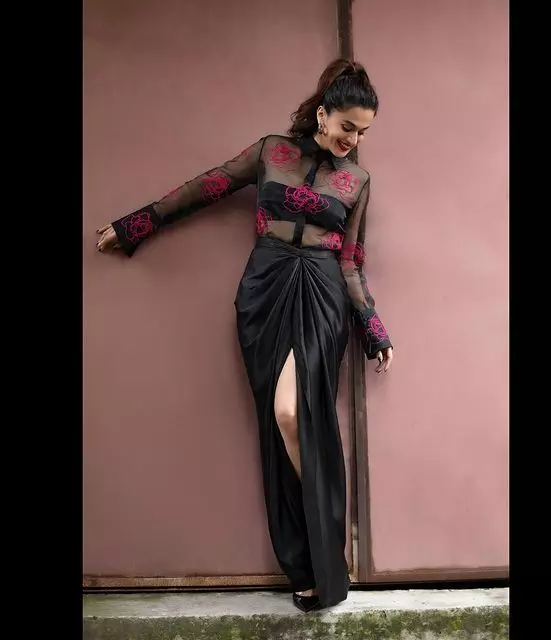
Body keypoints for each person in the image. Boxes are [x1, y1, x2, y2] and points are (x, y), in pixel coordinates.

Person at [96, 58, 393, 613]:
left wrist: (372, 326)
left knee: (293, 414)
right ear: (323, 114)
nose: (353, 141)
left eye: (362, 133)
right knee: (279, 427)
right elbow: (206, 187)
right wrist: (139, 223)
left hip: (323, 293)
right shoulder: (271, 151)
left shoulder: (358, 181)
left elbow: (352, 261)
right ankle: (309, 562)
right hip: (265, 289)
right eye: (347, 126)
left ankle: (326, 549)